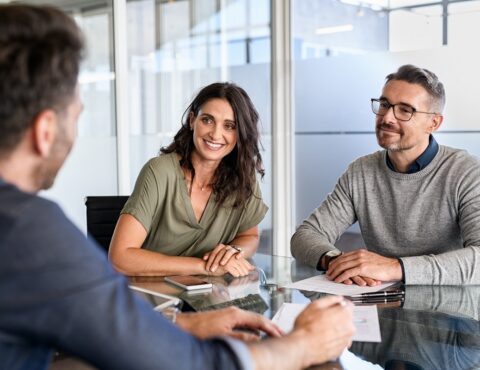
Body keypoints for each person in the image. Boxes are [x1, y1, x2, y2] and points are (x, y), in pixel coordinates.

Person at [0, 4, 355, 370]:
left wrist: (186, 321)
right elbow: (187, 362)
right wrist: (303, 344)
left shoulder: (22, 233)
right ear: (45, 131)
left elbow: (101, 326)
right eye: (77, 115)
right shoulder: (29, 233)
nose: (217, 133)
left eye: (230, 126)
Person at [291, 64, 480, 286]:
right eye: (384, 104)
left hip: (449, 313)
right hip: (378, 308)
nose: (387, 117)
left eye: (405, 110)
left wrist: (395, 267)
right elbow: (305, 235)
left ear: (434, 123)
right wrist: (337, 261)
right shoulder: (360, 172)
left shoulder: (465, 172)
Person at [109, 82, 268, 277]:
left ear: (239, 133)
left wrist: (234, 252)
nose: (216, 134)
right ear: (192, 120)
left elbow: (249, 235)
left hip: (207, 297)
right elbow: (120, 258)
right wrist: (205, 267)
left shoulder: (244, 177)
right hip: (151, 297)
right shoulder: (159, 171)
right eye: (207, 120)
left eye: (229, 126)